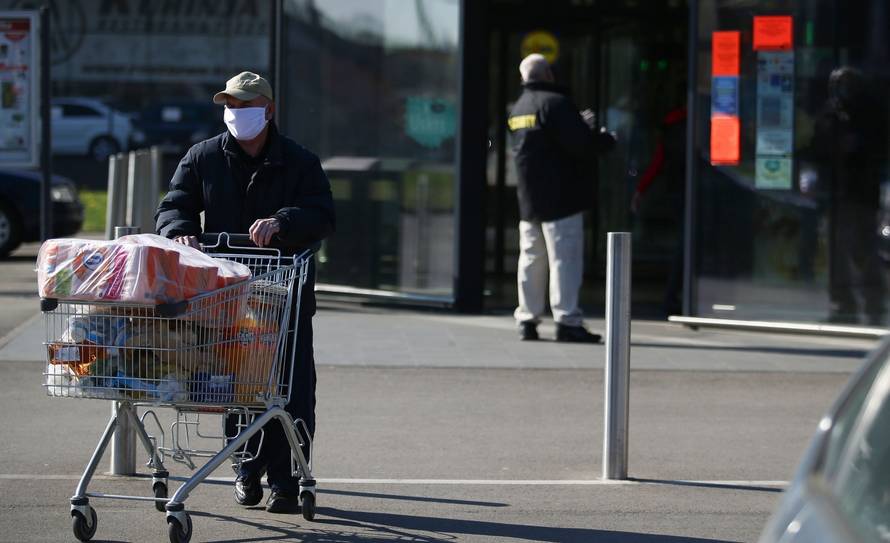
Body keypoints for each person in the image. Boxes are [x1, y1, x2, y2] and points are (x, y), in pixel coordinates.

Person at [155, 71, 335, 513]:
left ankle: (288, 481)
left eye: (245, 105)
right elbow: (174, 204)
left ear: (267, 111)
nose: (235, 114)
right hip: (228, 299)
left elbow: (322, 214)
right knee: (238, 386)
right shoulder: (203, 157)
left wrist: (283, 222)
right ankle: (246, 469)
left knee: (289, 390)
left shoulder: (299, 161)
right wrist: (181, 232)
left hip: (284, 298)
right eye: (229, 106)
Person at [508, 54, 615, 342]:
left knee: (531, 259)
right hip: (561, 197)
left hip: (530, 200)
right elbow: (579, 145)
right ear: (548, 75)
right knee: (564, 260)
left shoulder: (519, 108)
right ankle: (567, 320)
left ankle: (527, 320)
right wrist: (603, 138)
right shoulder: (555, 104)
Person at [812, 66, 887, 324]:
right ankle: (843, 304)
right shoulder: (831, 114)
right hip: (837, 192)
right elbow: (819, 146)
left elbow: (874, 149)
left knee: (863, 249)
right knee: (836, 252)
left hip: (860, 193)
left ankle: (873, 305)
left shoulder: (868, 116)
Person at [630, 105, 687, 316]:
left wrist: (640, 190)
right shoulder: (697, 122)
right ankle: (675, 297)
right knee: (688, 249)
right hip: (695, 195)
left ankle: (673, 297)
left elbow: (657, 162)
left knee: (683, 248)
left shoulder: (670, 128)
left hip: (677, 194)